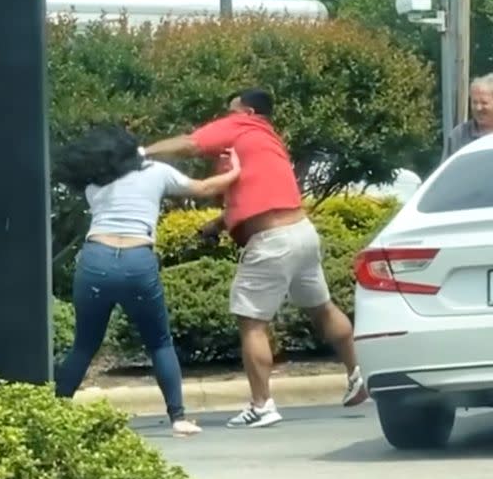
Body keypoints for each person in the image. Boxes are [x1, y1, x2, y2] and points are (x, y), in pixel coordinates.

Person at [144, 88, 368, 429]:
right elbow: (261, 194)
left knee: (251, 323)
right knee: (322, 308)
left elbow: (190, 143)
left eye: (231, 109)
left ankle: (261, 404)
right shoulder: (268, 141)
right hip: (301, 232)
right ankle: (357, 374)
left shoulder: (241, 127)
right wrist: (219, 223)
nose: (226, 115)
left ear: (247, 112)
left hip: (271, 242)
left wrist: (143, 152)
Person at [53, 124, 242, 437]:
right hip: (137, 260)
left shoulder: (95, 183)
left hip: (95, 259)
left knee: (85, 345)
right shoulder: (156, 172)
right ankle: (178, 418)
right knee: (159, 342)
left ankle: (55, 412)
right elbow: (205, 188)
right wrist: (236, 170)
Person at [443, 73, 493, 161]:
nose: (478, 108)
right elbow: (447, 171)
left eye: (484, 103)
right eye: (474, 102)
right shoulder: (459, 135)